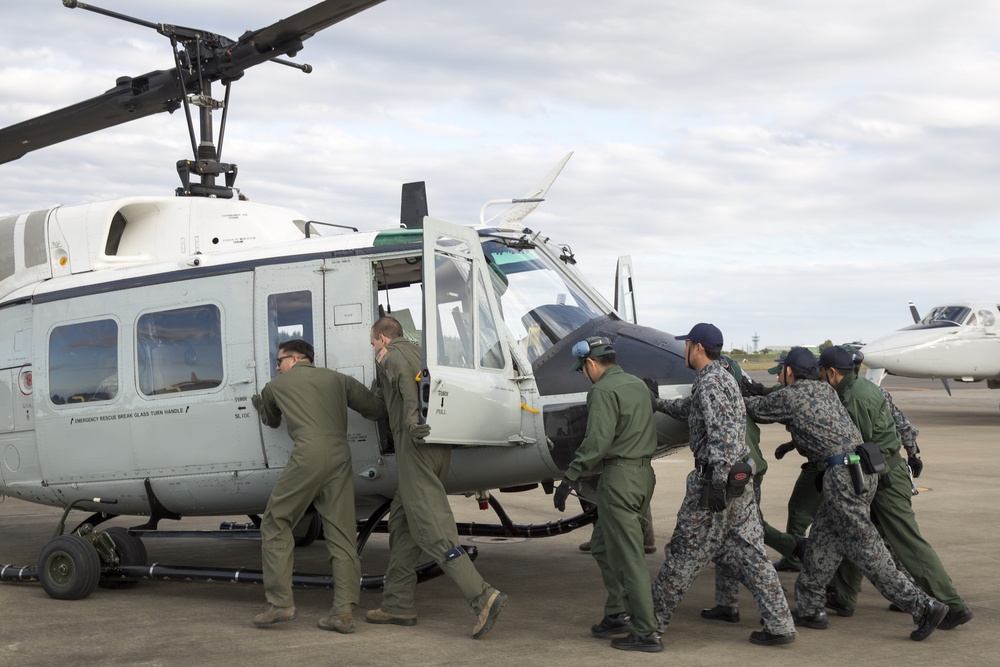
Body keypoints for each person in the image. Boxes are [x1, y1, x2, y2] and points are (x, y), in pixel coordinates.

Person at [744, 347, 948, 642]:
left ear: (788, 372)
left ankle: (922, 606)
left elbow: (757, 410)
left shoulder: (792, 395)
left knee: (867, 549)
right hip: (860, 469)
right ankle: (810, 605)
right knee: (824, 537)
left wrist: (739, 392)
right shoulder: (826, 391)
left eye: (783, 371)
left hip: (843, 475)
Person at [651, 323, 796, 646]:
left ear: (698, 348)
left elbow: (724, 437)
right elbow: (691, 411)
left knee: (683, 553)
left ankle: (649, 628)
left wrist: (716, 484)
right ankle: (781, 624)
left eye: (687, 344)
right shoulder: (720, 378)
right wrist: (657, 403)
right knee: (752, 555)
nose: (684, 350)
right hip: (737, 483)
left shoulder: (712, 383)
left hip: (716, 484)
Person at [364, 316, 507, 639]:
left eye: (372, 342)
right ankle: (397, 604)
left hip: (415, 449)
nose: (372, 348)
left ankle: (482, 596)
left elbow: (402, 381)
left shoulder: (392, 356)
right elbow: (382, 403)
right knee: (403, 525)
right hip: (436, 448)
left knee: (433, 531)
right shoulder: (422, 352)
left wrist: (413, 421)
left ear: (383, 339)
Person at [819, 345, 972, 630]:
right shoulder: (862, 387)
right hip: (882, 472)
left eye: (821, 371)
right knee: (858, 534)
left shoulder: (853, 399)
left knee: (909, 545)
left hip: (884, 477)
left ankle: (953, 604)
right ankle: (843, 596)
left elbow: (858, 444)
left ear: (830, 372)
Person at [251, 339, 386, 633]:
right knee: (341, 534)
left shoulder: (276, 387)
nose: (277, 367)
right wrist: (379, 384)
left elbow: (271, 420)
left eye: (280, 361)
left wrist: (260, 402)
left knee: (275, 522)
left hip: (308, 455)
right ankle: (343, 613)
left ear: (297, 359)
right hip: (340, 455)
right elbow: (375, 409)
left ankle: (281, 603)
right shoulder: (338, 379)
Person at [553, 335, 661, 652]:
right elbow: (650, 410)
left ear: (590, 364)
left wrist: (569, 476)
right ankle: (616, 612)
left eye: (582, 370)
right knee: (602, 545)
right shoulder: (637, 385)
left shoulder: (602, 391)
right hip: (643, 477)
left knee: (629, 558)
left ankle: (646, 632)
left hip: (620, 478)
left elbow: (597, 442)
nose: (583, 376)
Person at [700, 354, 791, 623]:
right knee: (730, 537)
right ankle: (727, 603)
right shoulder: (739, 399)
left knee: (746, 540)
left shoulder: (726, 398)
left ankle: (772, 598)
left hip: (739, 475)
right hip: (748, 470)